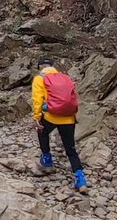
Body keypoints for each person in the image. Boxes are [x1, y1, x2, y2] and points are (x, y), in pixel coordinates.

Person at [31, 57, 87, 192]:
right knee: (70, 149)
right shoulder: (65, 77)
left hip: (51, 116)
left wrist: (36, 117)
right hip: (68, 118)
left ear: (40, 67)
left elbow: (37, 99)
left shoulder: (39, 78)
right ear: (53, 66)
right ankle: (80, 179)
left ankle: (47, 160)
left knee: (41, 131)